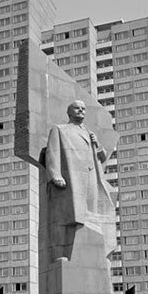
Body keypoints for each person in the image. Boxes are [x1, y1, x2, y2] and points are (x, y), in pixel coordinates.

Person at [44, 100, 116, 260]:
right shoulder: (60, 129)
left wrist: (97, 144)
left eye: (83, 109)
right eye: (77, 108)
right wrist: (55, 174)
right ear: (69, 112)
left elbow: (102, 158)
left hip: (91, 176)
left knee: (91, 215)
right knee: (66, 216)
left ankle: (93, 254)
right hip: (71, 177)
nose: (81, 111)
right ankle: (61, 253)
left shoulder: (88, 132)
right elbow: (52, 152)